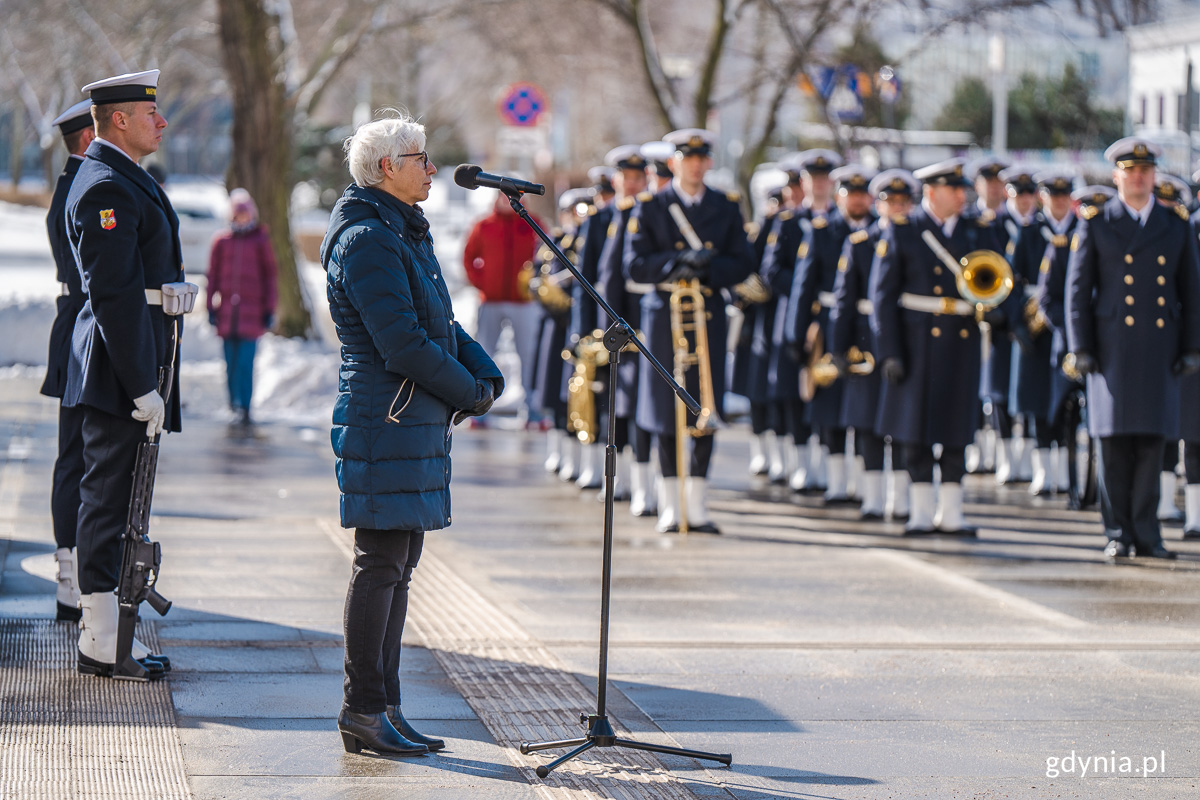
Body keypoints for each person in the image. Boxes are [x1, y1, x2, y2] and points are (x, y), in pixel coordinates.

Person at [323, 113, 504, 756]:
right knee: (379, 566)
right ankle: (363, 710)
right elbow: (400, 342)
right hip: (385, 417)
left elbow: (441, 324)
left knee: (399, 568)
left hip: (408, 419)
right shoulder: (368, 238)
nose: (432, 168)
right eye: (420, 159)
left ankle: (386, 707)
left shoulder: (400, 231)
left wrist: (484, 374)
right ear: (385, 169)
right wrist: (465, 391)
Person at [64, 69, 181, 678]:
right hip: (119, 368)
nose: (161, 122)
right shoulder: (106, 186)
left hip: (133, 360)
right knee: (108, 498)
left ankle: (110, 638)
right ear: (118, 120)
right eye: (150, 113)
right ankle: (101, 641)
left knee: (120, 496)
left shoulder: (124, 178)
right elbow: (113, 295)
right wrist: (141, 383)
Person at [1065, 137, 1200, 561]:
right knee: (1112, 445)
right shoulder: (1096, 222)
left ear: (1153, 176)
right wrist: (1080, 346)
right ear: (1117, 176)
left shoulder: (1175, 224)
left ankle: (1148, 534)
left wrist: (1192, 346)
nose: (1139, 177)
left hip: (1159, 346)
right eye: (1131, 170)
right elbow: (1077, 291)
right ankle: (1118, 532)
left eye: (1145, 170)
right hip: (1111, 350)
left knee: (1152, 442)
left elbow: (1190, 292)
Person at [624, 128, 754, 533]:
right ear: (675, 162)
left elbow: (744, 261)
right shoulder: (650, 205)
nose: (696, 165)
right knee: (666, 410)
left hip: (707, 315)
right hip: (665, 315)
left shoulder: (726, 206)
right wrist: (676, 262)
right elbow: (634, 264)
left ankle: (697, 505)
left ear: (709, 163)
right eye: (688, 157)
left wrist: (708, 267)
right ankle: (669, 504)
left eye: (702, 158)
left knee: (704, 405)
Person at [871, 157, 1003, 535]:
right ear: (931, 192)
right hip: (916, 345)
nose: (962, 195)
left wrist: (997, 311)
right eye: (954, 188)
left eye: (962, 188)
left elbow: (999, 276)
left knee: (957, 430)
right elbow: (883, 298)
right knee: (916, 432)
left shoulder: (978, 230)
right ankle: (921, 511)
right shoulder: (904, 230)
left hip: (960, 344)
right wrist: (890, 352)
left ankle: (952, 511)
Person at [830, 168, 919, 520]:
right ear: (877, 204)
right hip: (864, 338)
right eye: (889, 201)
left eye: (903, 202)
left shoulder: (917, 239)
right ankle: (872, 496)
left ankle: (900, 498)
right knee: (866, 423)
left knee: (900, 421)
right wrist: (837, 348)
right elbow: (844, 299)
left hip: (905, 337)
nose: (896, 208)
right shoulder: (860, 243)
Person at [788, 163, 876, 504]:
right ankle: (836, 481)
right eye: (849, 193)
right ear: (839, 196)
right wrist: (795, 337)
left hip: (866, 327)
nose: (856, 200)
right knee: (829, 405)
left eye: (861, 194)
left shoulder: (880, 231)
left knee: (864, 406)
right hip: (827, 325)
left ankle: (863, 483)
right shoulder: (821, 231)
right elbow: (803, 287)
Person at [40, 99, 95, 622]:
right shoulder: (84, 186)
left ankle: (71, 575)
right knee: (79, 458)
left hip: (74, 324)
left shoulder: (72, 183)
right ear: (87, 139)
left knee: (75, 457)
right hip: (83, 327)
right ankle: (73, 578)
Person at [595, 144, 656, 513]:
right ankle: (616, 482)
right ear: (617, 180)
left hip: (647, 325)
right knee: (614, 409)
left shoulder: (650, 214)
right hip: (616, 327)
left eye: (638, 178)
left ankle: (644, 485)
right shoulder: (603, 219)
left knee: (644, 410)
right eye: (626, 178)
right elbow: (599, 280)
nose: (632, 185)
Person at [462, 190, 541, 423]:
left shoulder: (532, 223)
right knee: (483, 353)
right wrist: (482, 282)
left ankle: (531, 410)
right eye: (503, 197)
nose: (507, 201)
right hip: (491, 301)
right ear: (496, 198)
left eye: (512, 197)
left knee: (528, 355)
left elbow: (546, 255)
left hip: (523, 302)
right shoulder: (484, 225)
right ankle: (478, 411)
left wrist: (534, 284)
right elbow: (468, 257)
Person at [206, 188, 277, 426]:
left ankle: (245, 406)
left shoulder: (260, 240)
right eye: (238, 215)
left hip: (252, 314)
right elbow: (213, 276)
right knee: (230, 363)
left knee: (246, 363)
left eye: (245, 215)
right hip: (228, 314)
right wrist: (210, 307)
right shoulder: (222, 242)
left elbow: (270, 277)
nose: (242, 219)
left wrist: (269, 309)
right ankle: (233, 403)